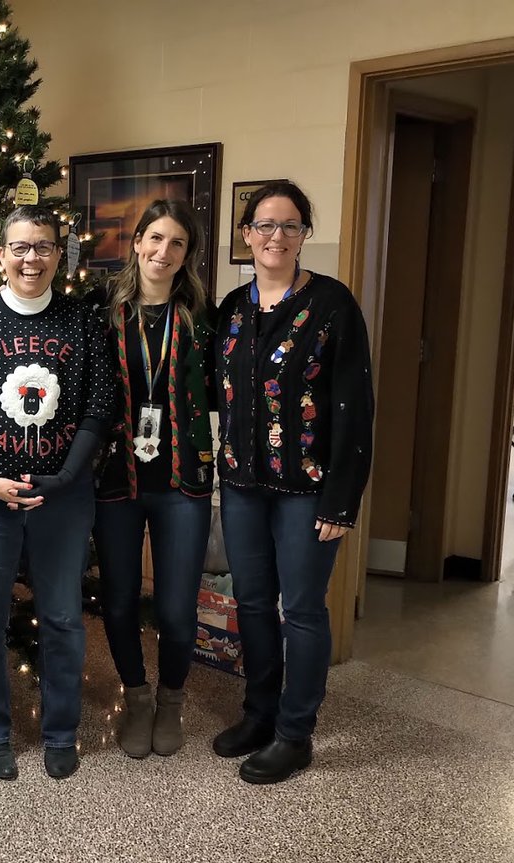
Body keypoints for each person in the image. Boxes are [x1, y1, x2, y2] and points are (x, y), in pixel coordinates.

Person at [0, 205, 115, 781]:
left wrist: (66, 474)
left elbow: (99, 404)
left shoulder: (82, 322)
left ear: (57, 255)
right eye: (19, 247)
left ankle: (60, 731)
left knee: (63, 616)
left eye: (42, 247)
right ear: (1, 256)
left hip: (62, 495)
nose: (30, 258)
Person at [212, 181, 374, 784]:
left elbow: (355, 409)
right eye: (264, 225)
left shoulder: (333, 306)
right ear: (246, 236)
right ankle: (259, 713)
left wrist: (343, 499)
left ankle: (294, 732)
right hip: (243, 486)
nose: (275, 236)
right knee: (251, 603)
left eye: (289, 225)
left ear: (305, 233)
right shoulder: (232, 309)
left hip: (310, 491)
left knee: (301, 610)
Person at [89, 200, 215, 760]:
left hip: (182, 481)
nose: (164, 252)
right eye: (155, 239)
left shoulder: (202, 319)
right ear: (136, 242)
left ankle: (170, 700)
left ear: (188, 254)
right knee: (117, 601)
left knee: (174, 607)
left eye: (178, 243)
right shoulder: (102, 313)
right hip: (118, 479)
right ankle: (136, 696)